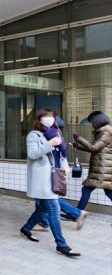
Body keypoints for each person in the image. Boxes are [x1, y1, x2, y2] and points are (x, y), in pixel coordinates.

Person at [19, 109, 80, 257]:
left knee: (43, 209)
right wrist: (49, 143)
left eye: (51, 117)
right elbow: (32, 154)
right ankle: (61, 244)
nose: (49, 119)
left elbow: (62, 154)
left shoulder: (57, 134)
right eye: (45, 117)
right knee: (53, 208)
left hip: (55, 177)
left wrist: (65, 166)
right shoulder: (34, 135)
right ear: (39, 119)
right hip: (42, 178)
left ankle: (26, 228)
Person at [32, 114, 87, 231]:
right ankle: (43, 222)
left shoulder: (50, 135)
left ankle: (76, 214)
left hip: (48, 172)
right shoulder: (56, 134)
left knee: (46, 197)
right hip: (52, 171)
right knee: (45, 198)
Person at [72, 111, 112, 210]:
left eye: (91, 122)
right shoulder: (103, 131)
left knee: (87, 189)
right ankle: (77, 213)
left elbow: (94, 148)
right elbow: (95, 148)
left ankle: (77, 214)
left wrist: (79, 138)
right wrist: (78, 146)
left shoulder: (106, 132)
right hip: (101, 167)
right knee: (88, 189)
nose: (91, 124)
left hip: (102, 168)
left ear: (97, 121)